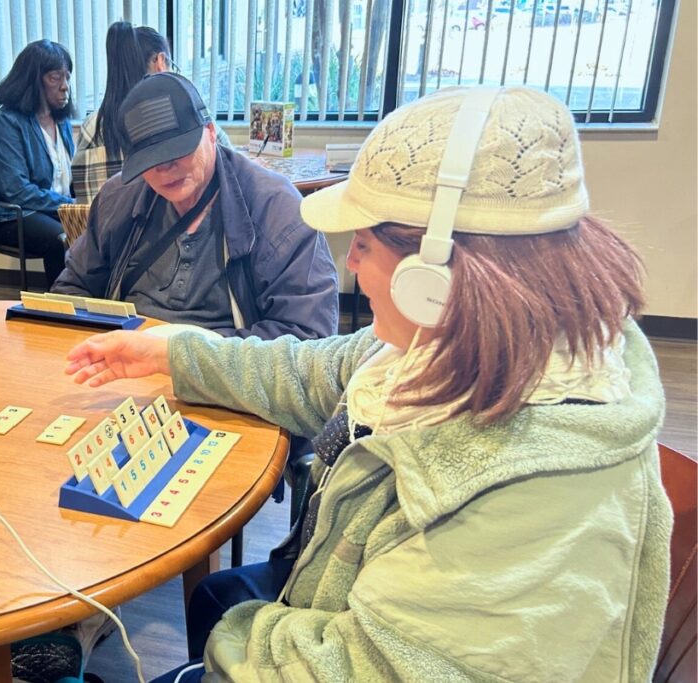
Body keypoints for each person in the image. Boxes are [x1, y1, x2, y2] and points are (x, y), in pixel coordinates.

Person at [64, 86, 672, 681]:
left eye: (363, 242)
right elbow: (310, 369)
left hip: (331, 641)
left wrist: (233, 643)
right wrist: (175, 354)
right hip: (326, 592)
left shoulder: (537, 498)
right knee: (217, 599)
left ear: (434, 274)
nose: (349, 263)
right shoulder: (450, 345)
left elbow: (363, 665)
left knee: (219, 612)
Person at [53, 72, 339, 342]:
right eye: (149, 160)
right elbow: (72, 289)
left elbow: (307, 339)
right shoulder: (119, 198)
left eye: (178, 150)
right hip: (126, 369)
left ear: (211, 132)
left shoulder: (276, 210)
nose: (165, 170)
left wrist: (182, 357)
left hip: (227, 382)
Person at [72, 22, 231, 205]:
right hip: (170, 230)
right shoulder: (184, 115)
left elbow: (84, 203)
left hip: (102, 230)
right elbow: (230, 169)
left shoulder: (90, 127)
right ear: (161, 62)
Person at [0, 39, 75, 288]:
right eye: (55, 78)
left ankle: (94, 304)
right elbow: (17, 192)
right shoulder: (8, 122)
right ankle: (62, 311)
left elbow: (68, 177)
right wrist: (72, 206)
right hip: (7, 215)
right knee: (61, 238)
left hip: (47, 208)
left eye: (67, 77)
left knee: (97, 229)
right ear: (33, 79)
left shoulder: (60, 120)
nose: (65, 87)